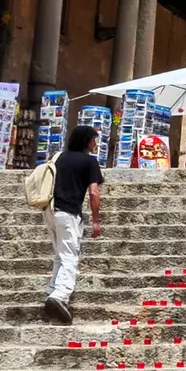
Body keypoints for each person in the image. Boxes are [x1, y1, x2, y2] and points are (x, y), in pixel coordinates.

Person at [43, 125, 105, 324]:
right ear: (87, 141)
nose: (96, 144)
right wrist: (96, 220)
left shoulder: (59, 157)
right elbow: (94, 193)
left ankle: (52, 291)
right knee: (70, 256)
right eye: (94, 140)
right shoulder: (90, 161)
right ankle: (59, 296)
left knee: (60, 254)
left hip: (50, 210)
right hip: (68, 212)